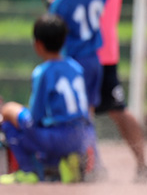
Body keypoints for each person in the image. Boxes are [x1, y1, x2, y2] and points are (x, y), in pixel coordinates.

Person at [72, 0, 147, 183]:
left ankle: (110, 164)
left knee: (106, 109)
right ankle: (97, 165)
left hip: (94, 49)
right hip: (97, 48)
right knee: (105, 110)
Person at [0, 14, 94, 184]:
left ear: (38, 44)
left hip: (57, 140)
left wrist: (10, 112)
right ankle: (64, 164)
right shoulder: (75, 67)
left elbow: (35, 117)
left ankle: (30, 171)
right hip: (82, 138)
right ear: (64, 41)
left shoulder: (43, 72)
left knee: (8, 116)